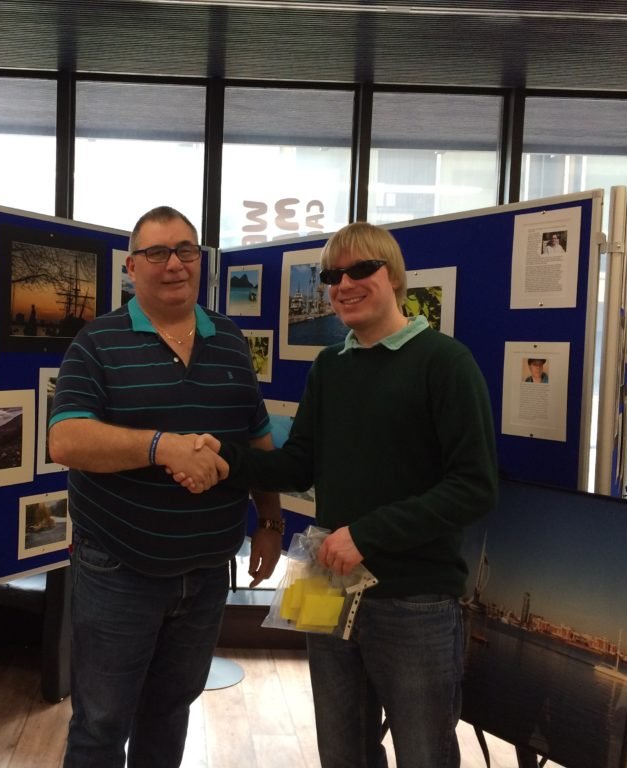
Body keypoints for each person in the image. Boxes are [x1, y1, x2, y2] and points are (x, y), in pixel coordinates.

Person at [185, 222, 498, 768]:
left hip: (415, 599)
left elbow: (473, 488)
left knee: (425, 753)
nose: (344, 285)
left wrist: (367, 536)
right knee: (341, 750)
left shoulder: (446, 363)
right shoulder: (330, 367)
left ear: (394, 277)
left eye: (360, 270)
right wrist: (224, 458)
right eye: (332, 275)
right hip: (329, 582)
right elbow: (296, 463)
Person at [47, 205, 282, 768]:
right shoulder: (96, 342)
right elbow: (66, 440)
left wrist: (271, 522)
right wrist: (162, 446)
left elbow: (256, 438)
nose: (173, 264)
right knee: (102, 722)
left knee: (172, 709)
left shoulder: (228, 339)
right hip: (119, 571)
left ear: (200, 260)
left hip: (205, 571)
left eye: (186, 251)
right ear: (131, 266)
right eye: (157, 253)